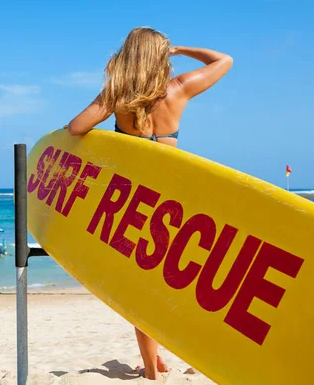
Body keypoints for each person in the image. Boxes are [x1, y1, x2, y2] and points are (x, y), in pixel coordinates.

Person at [65, 26, 233, 380]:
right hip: (174, 199)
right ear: (160, 56)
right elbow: (223, 60)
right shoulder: (179, 88)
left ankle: (151, 369)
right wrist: (179, 50)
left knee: (143, 289)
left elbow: (76, 128)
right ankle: (168, 358)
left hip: (135, 203)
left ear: (129, 56)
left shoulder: (117, 96)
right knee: (174, 282)